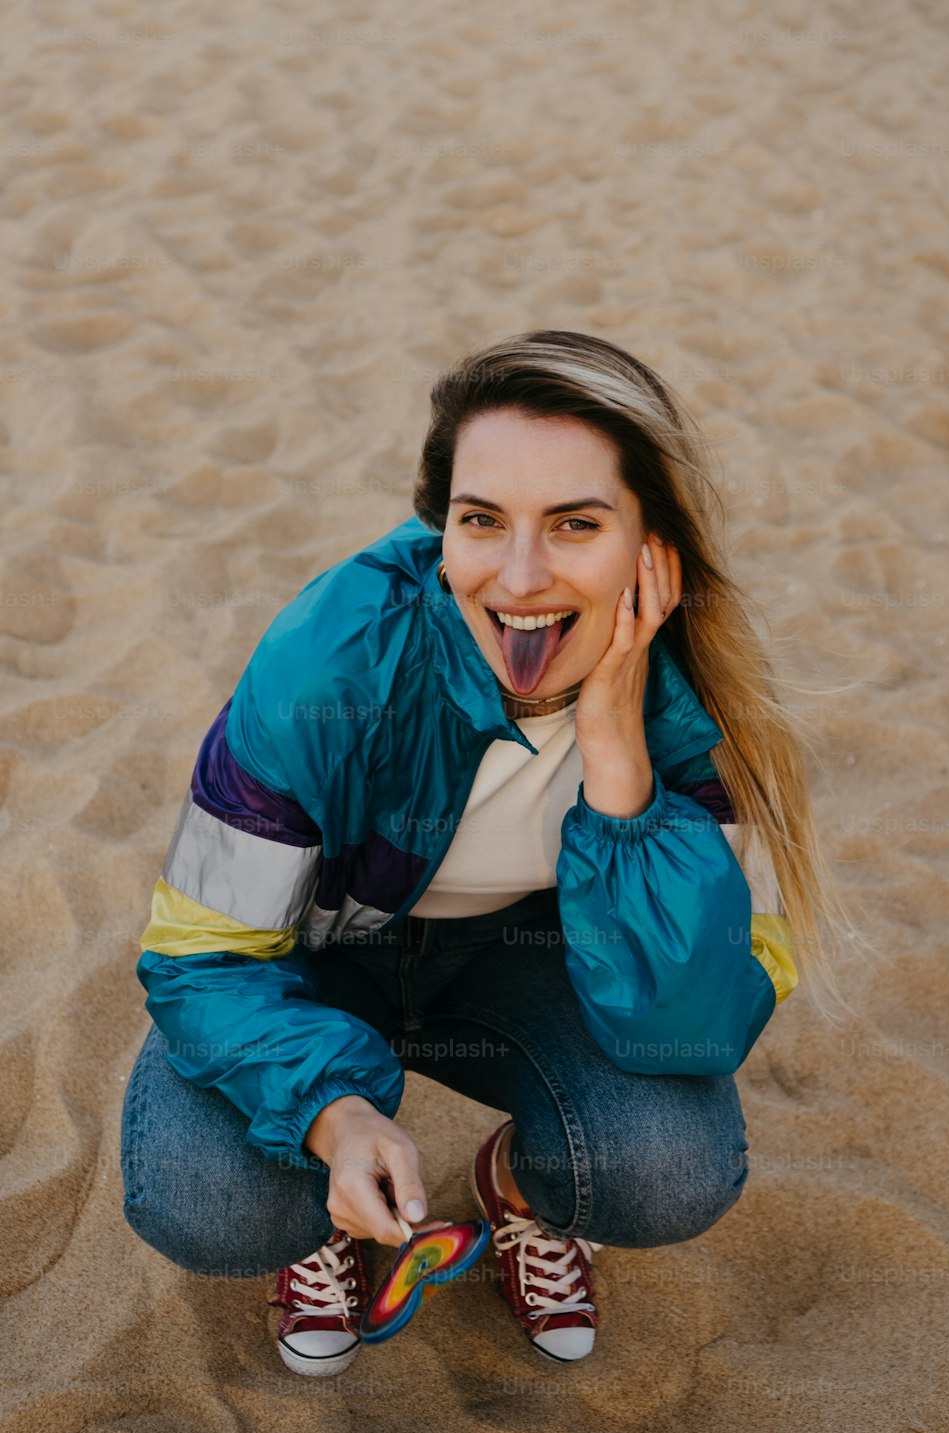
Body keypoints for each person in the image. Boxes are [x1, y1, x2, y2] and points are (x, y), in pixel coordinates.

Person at [120, 329, 853, 1376]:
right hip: (320, 960)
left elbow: (690, 1029)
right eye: (481, 522)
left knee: (665, 1167)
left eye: (574, 524)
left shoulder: (707, 717)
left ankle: (521, 1189)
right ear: (440, 528)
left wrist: (616, 758)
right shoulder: (326, 661)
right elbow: (202, 953)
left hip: (534, 964)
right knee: (208, 1202)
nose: (518, 576)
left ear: (653, 546)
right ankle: (333, 1206)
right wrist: (331, 1116)